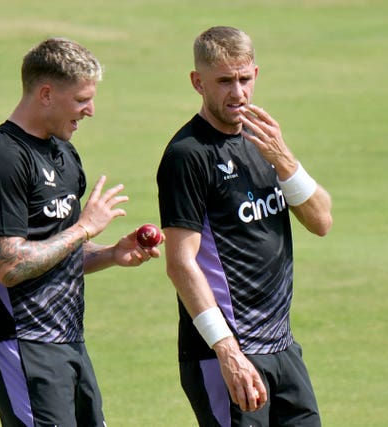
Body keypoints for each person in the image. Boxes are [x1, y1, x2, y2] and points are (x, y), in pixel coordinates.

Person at [0, 37, 162, 427]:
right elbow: (11, 266)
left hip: (67, 338)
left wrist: (110, 254)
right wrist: (84, 229)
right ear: (47, 94)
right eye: (82, 99)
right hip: (21, 339)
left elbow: (52, 252)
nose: (91, 110)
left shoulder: (64, 154)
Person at [156, 26, 333, 426]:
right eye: (223, 81)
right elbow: (180, 263)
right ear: (197, 82)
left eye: (244, 79)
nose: (237, 93)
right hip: (228, 355)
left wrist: (285, 159)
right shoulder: (188, 156)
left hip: (283, 349)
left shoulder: (264, 141)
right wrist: (228, 353)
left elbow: (321, 221)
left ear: (256, 74)